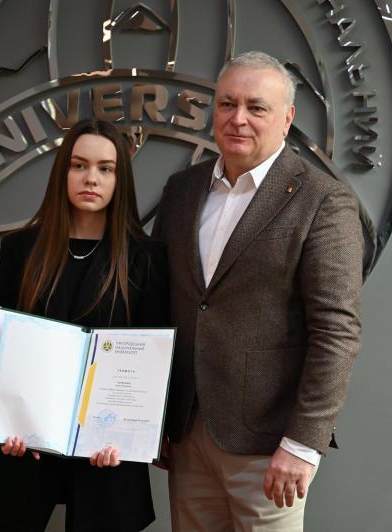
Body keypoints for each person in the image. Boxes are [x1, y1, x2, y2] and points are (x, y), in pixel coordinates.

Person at [152, 51, 363, 531]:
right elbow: (163, 306)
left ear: (286, 118)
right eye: (227, 104)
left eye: (256, 107)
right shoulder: (182, 191)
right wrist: (152, 416)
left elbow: (337, 331)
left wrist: (303, 443)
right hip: (187, 435)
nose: (238, 118)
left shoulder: (323, 200)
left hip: (270, 446)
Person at [0, 119, 168, 532]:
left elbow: (152, 369)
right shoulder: (20, 250)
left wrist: (126, 436)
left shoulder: (147, 258)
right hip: (25, 445)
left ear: (120, 180)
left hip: (109, 452)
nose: (91, 178)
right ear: (62, 172)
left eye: (106, 168)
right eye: (79, 165)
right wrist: (5, 423)